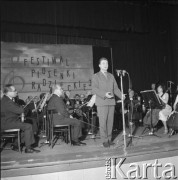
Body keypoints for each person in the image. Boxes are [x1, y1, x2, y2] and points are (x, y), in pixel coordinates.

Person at [92, 57, 124, 147]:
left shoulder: (111, 76)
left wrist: (121, 95)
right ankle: (104, 140)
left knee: (110, 122)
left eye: (106, 63)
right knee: (103, 122)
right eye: (103, 63)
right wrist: (104, 94)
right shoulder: (96, 76)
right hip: (102, 102)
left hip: (111, 102)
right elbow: (94, 89)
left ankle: (109, 139)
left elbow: (115, 88)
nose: (105, 65)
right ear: (99, 65)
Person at [1, 84, 40, 153]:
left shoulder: (7, 99)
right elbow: (20, 110)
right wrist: (23, 109)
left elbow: (17, 109)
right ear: (9, 92)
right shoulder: (7, 102)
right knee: (28, 126)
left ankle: (16, 144)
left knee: (26, 125)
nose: (16, 92)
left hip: (9, 121)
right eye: (14, 90)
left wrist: (22, 109)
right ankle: (28, 148)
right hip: (7, 123)